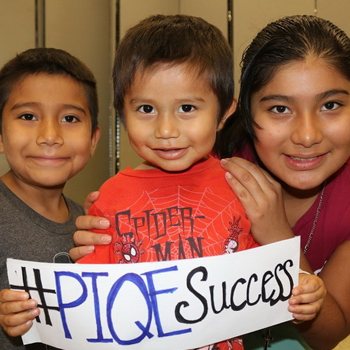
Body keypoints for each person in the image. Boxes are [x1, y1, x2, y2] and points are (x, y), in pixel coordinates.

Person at [74, 14, 324, 350]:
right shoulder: (110, 197)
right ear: (121, 114)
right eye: (146, 108)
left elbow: (269, 277)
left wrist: (304, 287)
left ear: (224, 113)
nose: (166, 130)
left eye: (187, 107)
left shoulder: (241, 187)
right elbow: (90, 296)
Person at [214, 15, 350, 350]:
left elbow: (330, 334)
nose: (307, 135)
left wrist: (278, 237)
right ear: (245, 113)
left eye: (330, 105)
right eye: (279, 109)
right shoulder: (212, 170)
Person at [0, 47, 101, 350]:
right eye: (28, 116)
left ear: (93, 140)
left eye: (70, 118)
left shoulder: (86, 223)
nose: (50, 135)